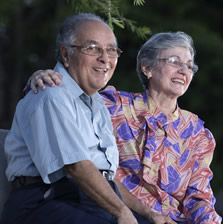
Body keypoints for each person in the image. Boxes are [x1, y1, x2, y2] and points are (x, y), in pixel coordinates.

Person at [28, 31, 222, 224]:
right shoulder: (113, 107)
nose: (183, 70)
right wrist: (43, 77)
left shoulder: (199, 134)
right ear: (147, 68)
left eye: (189, 66)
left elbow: (199, 197)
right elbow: (62, 104)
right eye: (174, 61)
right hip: (118, 215)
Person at [2, 13, 175, 224]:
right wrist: (122, 213)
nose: (105, 58)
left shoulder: (97, 103)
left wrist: (149, 214)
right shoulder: (51, 95)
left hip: (85, 198)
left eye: (111, 50)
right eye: (92, 48)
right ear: (65, 54)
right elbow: (77, 167)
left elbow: (104, 179)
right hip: (43, 202)